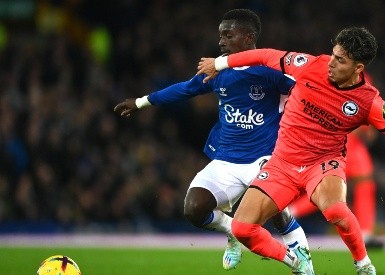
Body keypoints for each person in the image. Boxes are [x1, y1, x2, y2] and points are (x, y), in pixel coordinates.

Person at [197, 26, 385, 274]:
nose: (331, 62)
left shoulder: (369, 101)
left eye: (340, 60)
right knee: (242, 229)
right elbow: (264, 55)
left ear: (359, 67)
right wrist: (220, 63)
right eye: (333, 54)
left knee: (335, 211)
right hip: (282, 162)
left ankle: (364, 265)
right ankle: (296, 261)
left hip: (324, 162)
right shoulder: (309, 65)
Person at [114, 9, 312, 272]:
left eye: (228, 35)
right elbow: (186, 89)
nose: (221, 42)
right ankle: (233, 233)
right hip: (226, 160)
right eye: (220, 36)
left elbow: (307, 93)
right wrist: (141, 102)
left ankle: (303, 262)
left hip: (266, 160)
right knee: (194, 209)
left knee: (278, 212)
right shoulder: (217, 70)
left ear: (249, 37)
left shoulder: (271, 72)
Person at [290, 121, 384, 248]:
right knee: (330, 188)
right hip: (339, 140)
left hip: (348, 141)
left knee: (363, 183)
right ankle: (290, 212)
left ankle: (365, 233)